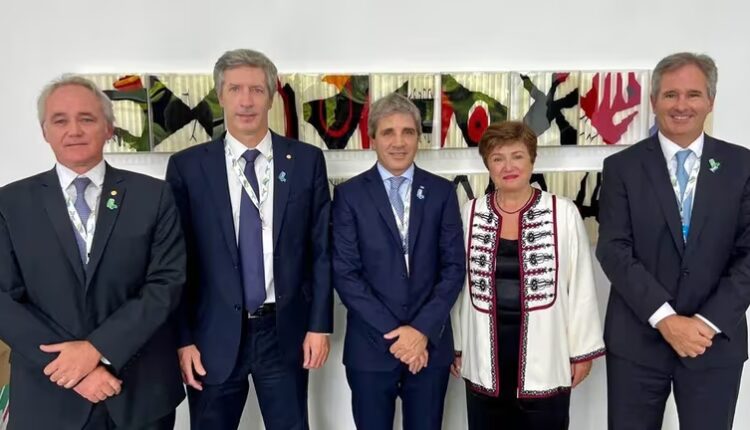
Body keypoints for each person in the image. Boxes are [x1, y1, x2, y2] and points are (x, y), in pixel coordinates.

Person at [0, 75, 185, 429]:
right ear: (45, 131)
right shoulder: (9, 203)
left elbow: (166, 284)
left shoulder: (153, 196)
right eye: (60, 120)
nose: (74, 130)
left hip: (139, 393)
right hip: (47, 396)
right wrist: (75, 371)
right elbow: (4, 301)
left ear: (109, 128)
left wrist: (97, 350)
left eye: (86, 118)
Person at [165, 49, 332, 430]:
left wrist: (319, 325)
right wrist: (182, 338)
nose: (246, 101)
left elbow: (321, 250)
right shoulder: (188, 167)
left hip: (284, 331)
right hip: (212, 334)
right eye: (235, 89)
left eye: (256, 90)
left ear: (271, 96)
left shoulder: (306, 161)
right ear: (220, 95)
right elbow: (176, 261)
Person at [596, 52, 750, 430]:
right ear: (653, 101)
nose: (682, 105)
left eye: (693, 94)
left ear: (711, 101)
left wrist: (705, 323)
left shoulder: (742, 165)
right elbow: (613, 249)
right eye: (670, 95)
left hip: (712, 342)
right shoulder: (621, 167)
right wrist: (665, 319)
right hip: (638, 342)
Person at [451, 121, 605, 430]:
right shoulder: (470, 212)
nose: (508, 166)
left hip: (547, 350)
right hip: (483, 351)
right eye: (498, 158)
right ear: (488, 165)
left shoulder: (563, 212)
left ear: (532, 160)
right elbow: (459, 286)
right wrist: (457, 346)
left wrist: (581, 352)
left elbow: (581, 286)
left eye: (517, 156)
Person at [332, 93, 465, 430]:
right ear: (372, 139)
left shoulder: (442, 192)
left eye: (408, 132)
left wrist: (420, 331)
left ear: (418, 138)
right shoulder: (349, 195)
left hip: (429, 346)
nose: (398, 142)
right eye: (388, 132)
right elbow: (346, 274)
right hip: (371, 349)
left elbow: (453, 268)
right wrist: (400, 337)